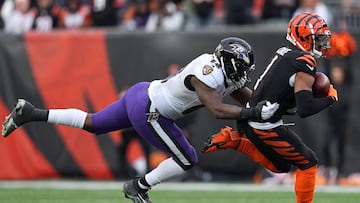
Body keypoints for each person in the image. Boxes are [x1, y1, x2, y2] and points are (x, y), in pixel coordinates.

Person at [2, 37, 279, 203]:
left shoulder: (223, 70)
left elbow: (247, 96)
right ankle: (138, 187)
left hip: (142, 92)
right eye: (241, 68)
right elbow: (217, 109)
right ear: (228, 62)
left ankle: (31, 113)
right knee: (188, 159)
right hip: (150, 109)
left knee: (93, 123)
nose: (243, 74)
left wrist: (270, 106)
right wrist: (254, 113)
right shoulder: (207, 73)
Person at [203, 12, 338, 203]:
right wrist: (330, 98)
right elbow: (305, 108)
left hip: (253, 115)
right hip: (264, 123)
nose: (323, 43)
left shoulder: (285, 53)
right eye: (318, 38)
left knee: (281, 167)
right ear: (304, 38)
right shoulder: (305, 63)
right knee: (308, 162)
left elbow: (282, 93)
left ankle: (234, 140)